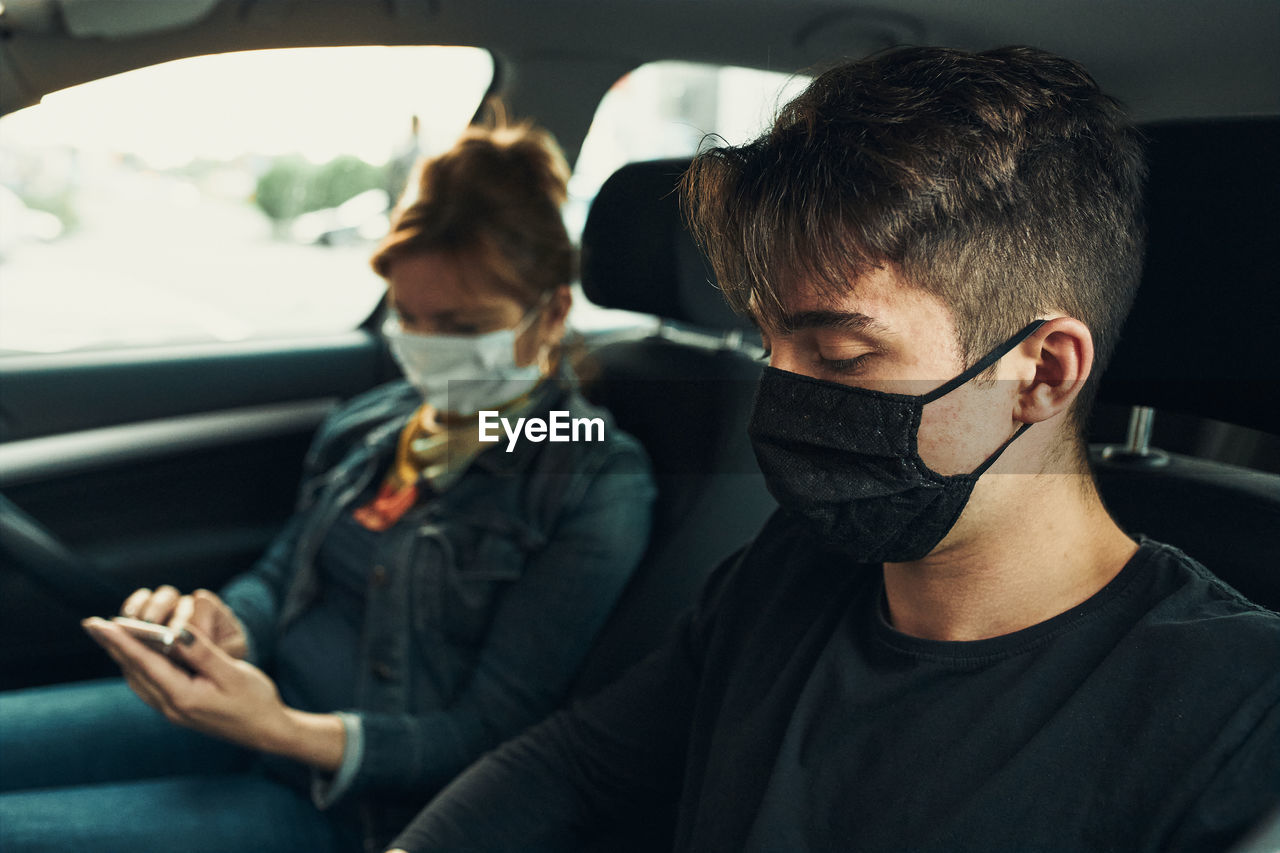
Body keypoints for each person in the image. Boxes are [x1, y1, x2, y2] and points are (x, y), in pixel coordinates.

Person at [386, 46, 1280, 853]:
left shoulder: (1233, 717)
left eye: (842, 354)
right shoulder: (787, 572)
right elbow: (579, 763)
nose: (780, 395)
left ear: (1040, 374)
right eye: (767, 343)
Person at [0, 121, 655, 853]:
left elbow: (494, 736)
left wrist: (287, 731)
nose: (429, 347)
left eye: (464, 325)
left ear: (553, 313)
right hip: (246, 713)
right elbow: (284, 576)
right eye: (409, 318)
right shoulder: (376, 426)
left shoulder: (589, 476)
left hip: (352, 809)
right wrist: (227, 625)